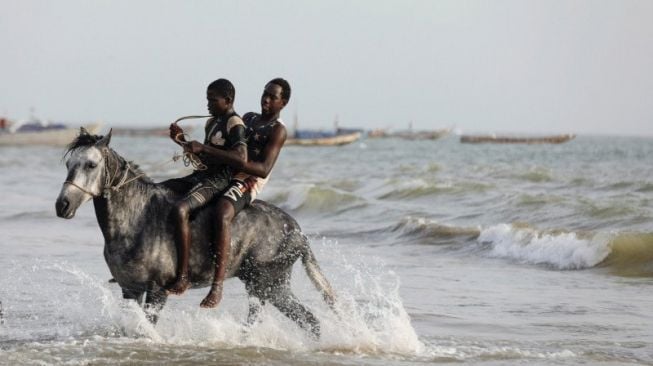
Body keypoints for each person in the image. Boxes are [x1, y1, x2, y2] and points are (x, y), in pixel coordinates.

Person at [199, 78, 291, 308]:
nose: (266, 100)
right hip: (228, 171)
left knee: (222, 211)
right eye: (264, 94)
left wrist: (235, 163)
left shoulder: (278, 130)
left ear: (283, 102)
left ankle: (217, 285)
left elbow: (264, 168)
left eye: (273, 97)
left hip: (250, 179)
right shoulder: (248, 117)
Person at [164, 78, 248, 296]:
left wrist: (204, 148)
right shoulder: (212, 123)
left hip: (218, 181)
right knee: (157, 192)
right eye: (207, 99)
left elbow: (241, 159)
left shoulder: (234, 123)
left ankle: (183, 277)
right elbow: (204, 154)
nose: (208, 105)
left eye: (213, 100)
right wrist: (181, 141)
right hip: (202, 175)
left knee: (180, 209)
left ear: (228, 100)